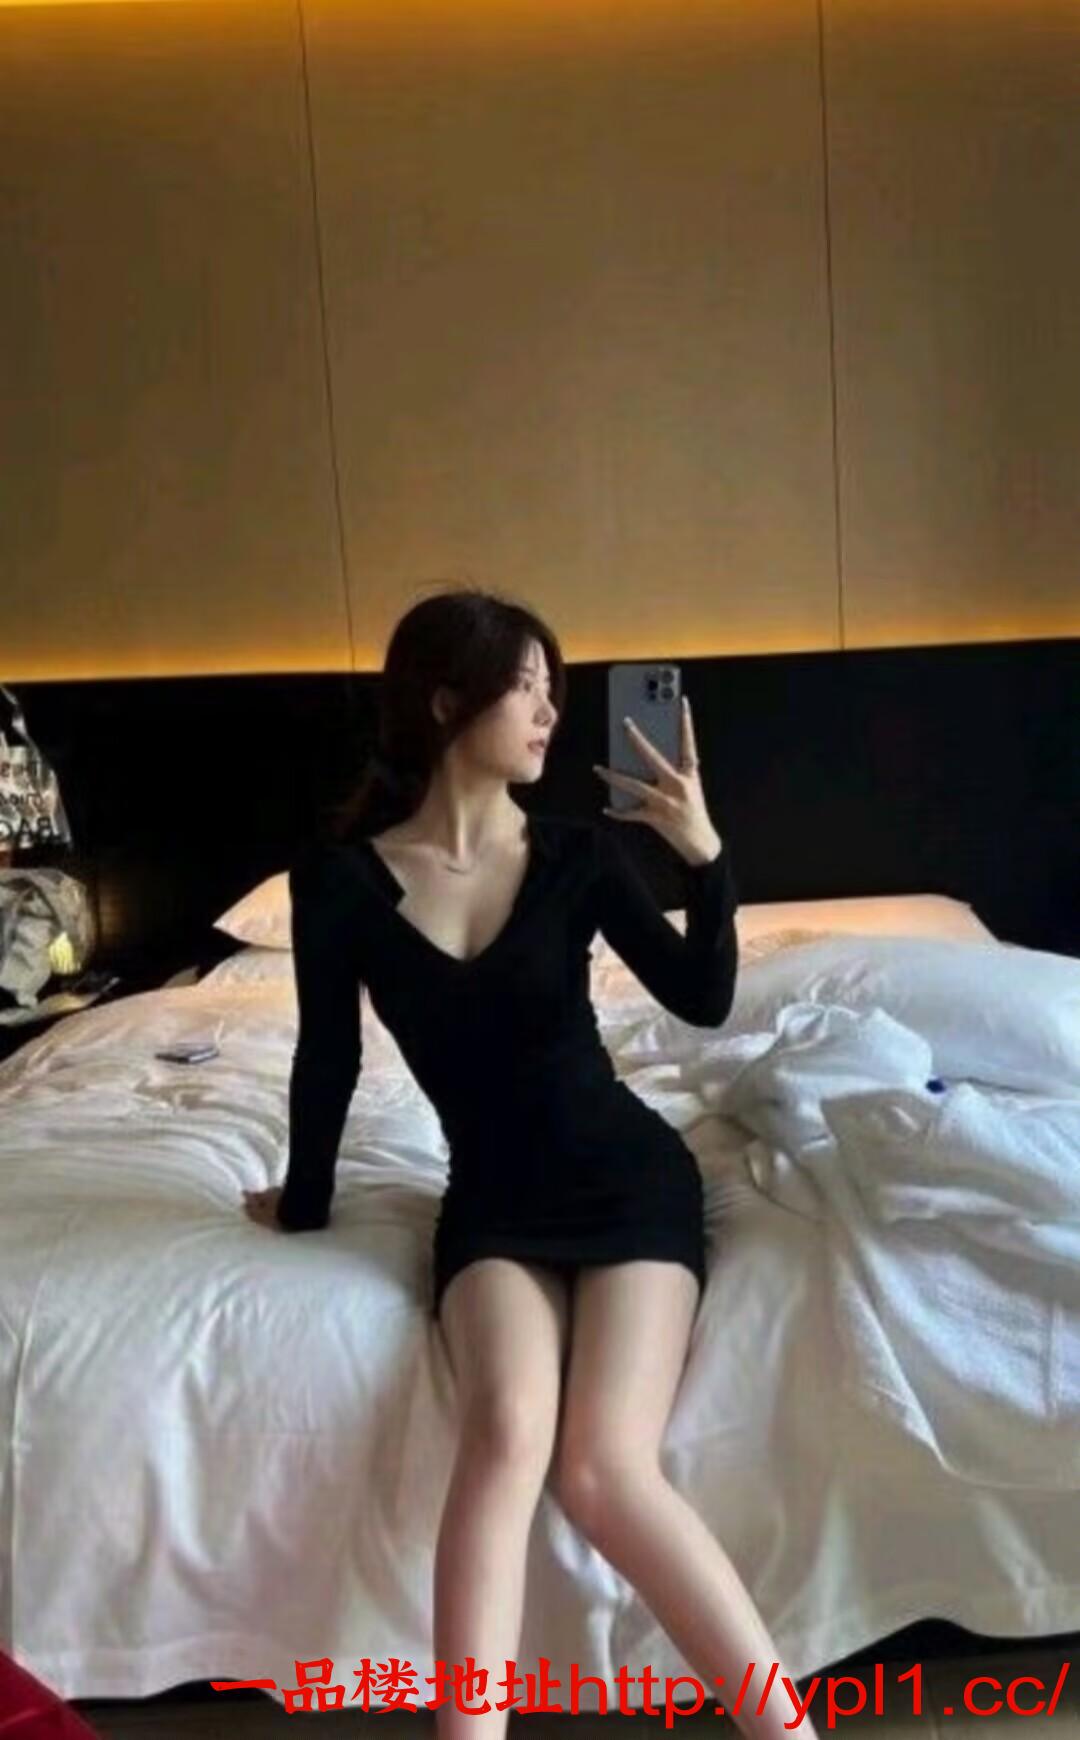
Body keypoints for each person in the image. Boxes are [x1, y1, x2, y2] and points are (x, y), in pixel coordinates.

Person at [242, 586, 819, 1740]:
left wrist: (705, 861)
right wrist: (303, 1205)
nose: (552, 713)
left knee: (602, 1469)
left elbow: (703, 999)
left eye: (555, 692)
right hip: (495, 1204)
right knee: (505, 1436)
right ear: (446, 700)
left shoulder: (578, 855)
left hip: (629, 1184)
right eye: (529, 689)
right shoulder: (339, 883)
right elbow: (327, 1060)